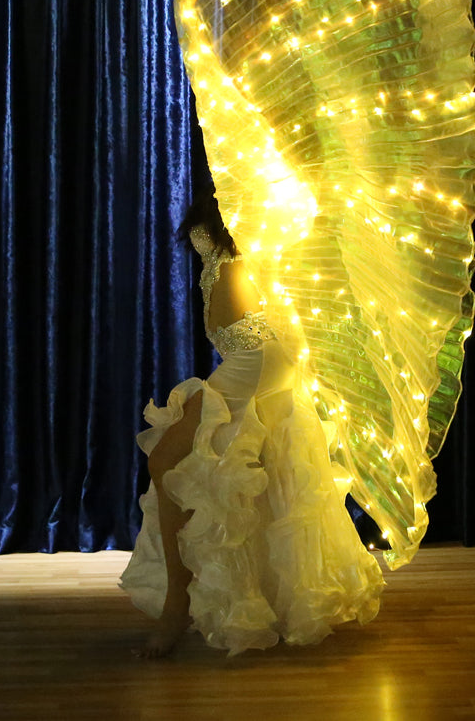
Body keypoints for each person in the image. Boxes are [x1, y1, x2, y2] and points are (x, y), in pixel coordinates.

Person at [121, 187, 383, 657]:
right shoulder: (227, 180)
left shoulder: (272, 193)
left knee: (172, 462)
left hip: (259, 355)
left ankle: (178, 605)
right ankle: (247, 599)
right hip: (253, 349)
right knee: (236, 475)